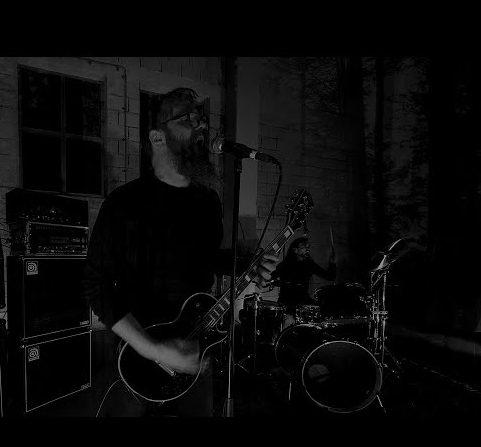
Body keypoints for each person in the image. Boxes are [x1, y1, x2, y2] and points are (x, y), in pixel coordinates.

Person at [83, 87, 278, 417]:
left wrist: (250, 264)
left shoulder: (207, 202)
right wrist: (154, 349)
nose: (202, 126)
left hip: (195, 351)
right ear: (157, 137)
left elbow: (206, 258)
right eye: (189, 119)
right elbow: (95, 284)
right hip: (138, 356)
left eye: (202, 119)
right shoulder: (124, 203)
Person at [270, 236, 336, 326]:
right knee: (288, 321)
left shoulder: (309, 264)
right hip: (287, 303)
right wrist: (274, 283)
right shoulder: (285, 265)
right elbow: (271, 278)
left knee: (325, 310)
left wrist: (332, 262)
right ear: (295, 250)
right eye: (303, 247)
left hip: (304, 300)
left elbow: (330, 277)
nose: (307, 249)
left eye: (308, 247)